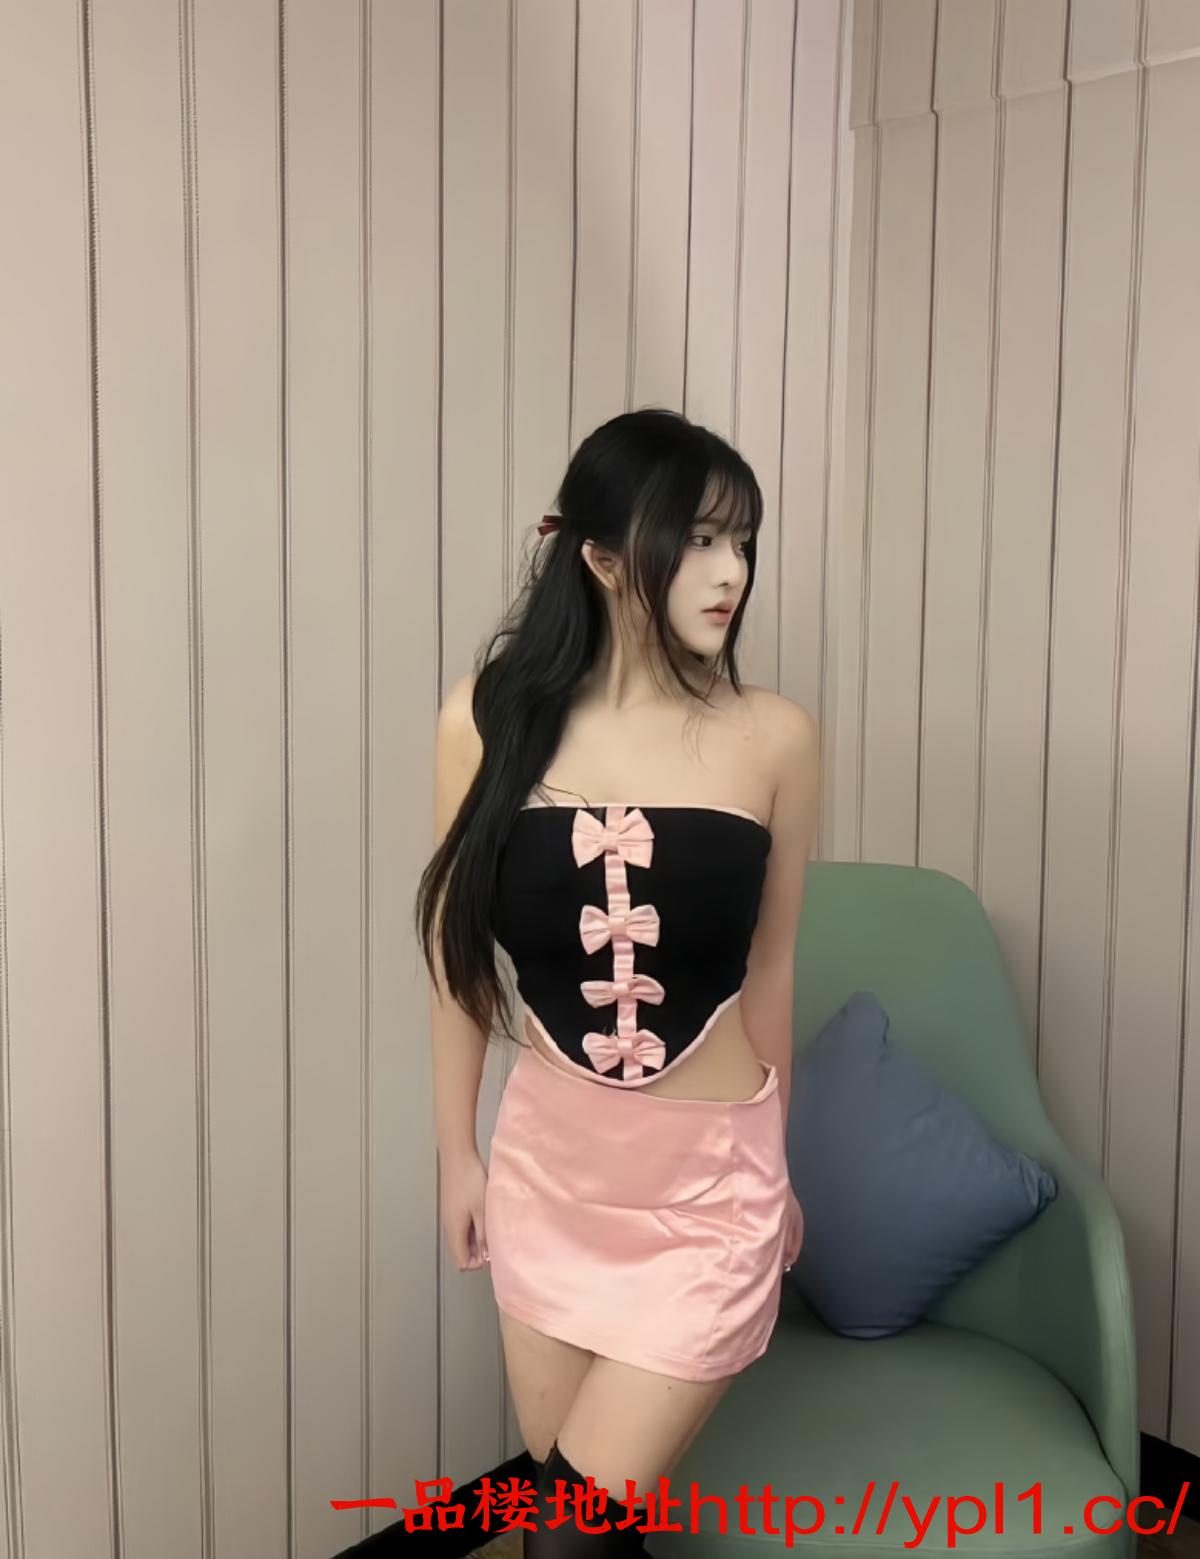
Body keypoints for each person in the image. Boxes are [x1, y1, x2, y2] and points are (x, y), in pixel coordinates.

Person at [414, 408, 819, 1557]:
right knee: (590, 1523)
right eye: (697, 539)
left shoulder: (775, 737)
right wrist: (457, 1152)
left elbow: (773, 963)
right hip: (551, 1171)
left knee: (565, 1536)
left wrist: (780, 1160)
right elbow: (455, 957)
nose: (731, 572)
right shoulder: (484, 720)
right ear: (599, 555)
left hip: (709, 1189)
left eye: (742, 541)